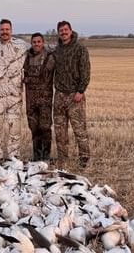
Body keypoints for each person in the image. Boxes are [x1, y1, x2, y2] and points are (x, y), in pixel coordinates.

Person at [51, 20, 91, 168]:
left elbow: (85, 72)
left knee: (79, 129)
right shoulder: (56, 50)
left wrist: (81, 91)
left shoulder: (80, 49)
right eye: (61, 31)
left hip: (75, 96)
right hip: (59, 95)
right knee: (60, 131)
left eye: (66, 30)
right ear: (58, 33)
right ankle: (62, 158)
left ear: (71, 30)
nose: (63, 32)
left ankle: (84, 158)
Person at [0, 18, 27, 159]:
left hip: (15, 97)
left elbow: (39, 49)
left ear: (11, 30)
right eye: (2, 29)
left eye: (7, 29)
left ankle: (13, 157)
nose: (4, 32)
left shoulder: (22, 46)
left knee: (14, 129)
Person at [23, 31, 55, 161]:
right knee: (34, 128)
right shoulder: (27, 58)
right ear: (31, 43)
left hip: (45, 100)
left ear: (43, 43)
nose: (36, 44)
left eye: (39, 42)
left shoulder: (50, 57)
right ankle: (36, 156)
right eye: (34, 42)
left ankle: (46, 156)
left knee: (45, 128)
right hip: (30, 100)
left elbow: (47, 77)